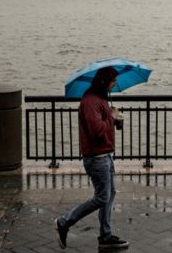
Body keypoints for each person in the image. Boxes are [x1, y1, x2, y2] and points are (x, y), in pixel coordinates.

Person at [55, 67, 129, 250]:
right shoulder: (90, 101)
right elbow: (96, 132)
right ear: (104, 81)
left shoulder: (101, 98)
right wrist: (111, 117)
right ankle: (64, 222)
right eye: (113, 80)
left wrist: (115, 121)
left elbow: (105, 125)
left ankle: (105, 235)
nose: (115, 84)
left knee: (109, 194)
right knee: (102, 197)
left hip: (105, 155)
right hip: (96, 158)